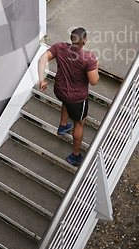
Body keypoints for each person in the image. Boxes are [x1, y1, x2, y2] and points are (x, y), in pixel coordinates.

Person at [38, 27, 100, 166]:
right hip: (77, 99)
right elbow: (94, 81)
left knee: (66, 101)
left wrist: (42, 80)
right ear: (85, 41)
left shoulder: (59, 47)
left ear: (71, 39)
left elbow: (42, 59)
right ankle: (75, 156)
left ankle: (63, 125)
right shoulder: (89, 58)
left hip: (60, 91)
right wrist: (96, 67)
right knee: (79, 123)